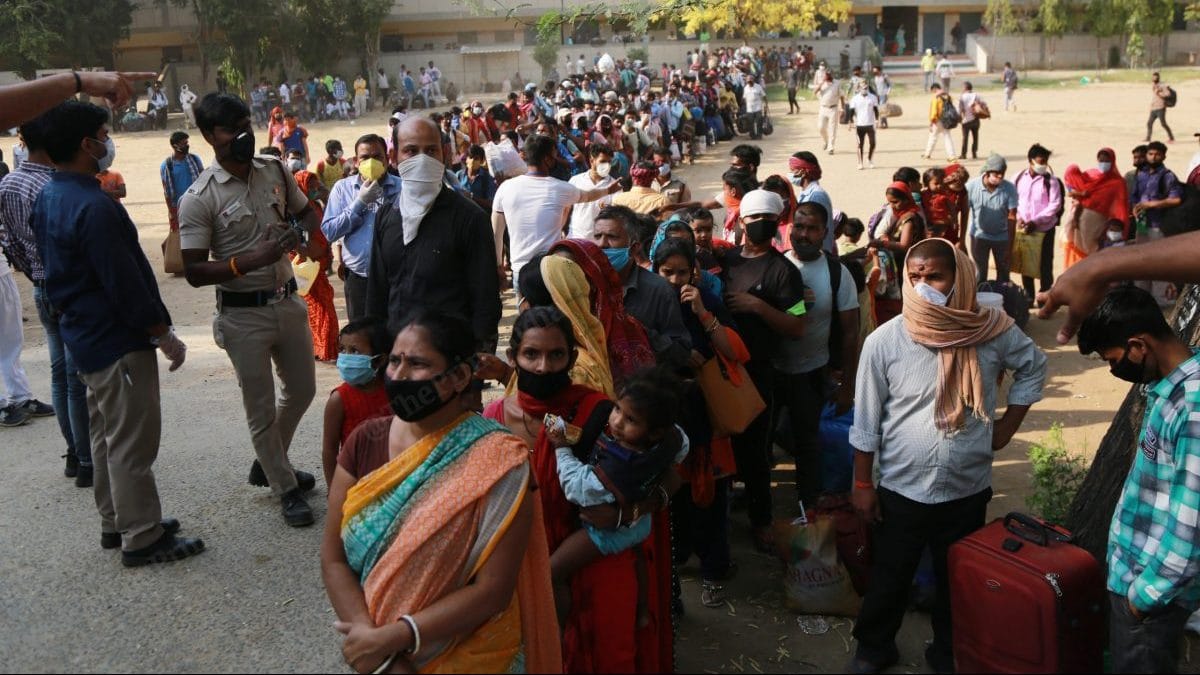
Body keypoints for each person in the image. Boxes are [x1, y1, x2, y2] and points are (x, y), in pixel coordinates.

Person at [321, 311, 560, 674]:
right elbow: (333, 559)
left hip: (468, 657)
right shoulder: (364, 442)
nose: (399, 375)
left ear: (460, 376)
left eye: (417, 363)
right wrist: (376, 650)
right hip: (375, 652)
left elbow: (493, 591)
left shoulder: (499, 459)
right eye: (395, 361)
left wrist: (393, 639)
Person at [848, 239, 1046, 674]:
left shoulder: (991, 331)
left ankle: (948, 652)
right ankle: (874, 648)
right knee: (890, 576)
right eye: (914, 277)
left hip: (966, 487)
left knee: (956, 581)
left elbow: (1034, 366)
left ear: (959, 278)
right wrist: (863, 484)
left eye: (934, 276)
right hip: (901, 487)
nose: (923, 287)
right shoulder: (885, 341)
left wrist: (1006, 427)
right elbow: (865, 420)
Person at [32, 100, 204, 565]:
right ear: (88, 145)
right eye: (104, 134)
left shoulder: (50, 196)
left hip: (83, 336)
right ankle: (142, 537)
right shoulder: (95, 206)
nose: (109, 142)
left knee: (107, 434)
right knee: (132, 442)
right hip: (116, 339)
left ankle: (118, 520)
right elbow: (124, 282)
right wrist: (162, 332)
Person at [481, 305, 673, 672]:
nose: (543, 367)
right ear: (512, 357)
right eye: (531, 355)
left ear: (572, 358)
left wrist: (631, 511)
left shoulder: (601, 412)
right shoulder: (494, 420)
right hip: (522, 567)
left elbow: (666, 472)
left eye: (556, 355)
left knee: (606, 656)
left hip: (597, 560)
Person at [178, 93, 320, 527]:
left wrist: (297, 232)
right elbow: (194, 271)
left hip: (288, 301)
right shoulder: (198, 197)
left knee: (302, 390)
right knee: (259, 407)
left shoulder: (273, 168)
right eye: (230, 129)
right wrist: (247, 261)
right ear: (208, 136)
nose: (242, 135)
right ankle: (286, 488)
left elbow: (308, 212)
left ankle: (269, 462)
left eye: (246, 124)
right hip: (242, 316)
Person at [1077, 286, 1200, 673]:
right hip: (1136, 578)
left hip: (1152, 599)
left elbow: (1191, 524)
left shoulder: (1193, 408)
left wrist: (1144, 597)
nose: (1114, 371)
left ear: (1138, 346)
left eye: (1113, 360)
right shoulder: (1168, 389)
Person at [547, 368, 687, 627]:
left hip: (607, 530)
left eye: (631, 419)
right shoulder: (669, 439)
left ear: (655, 431)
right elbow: (682, 445)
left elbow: (577, 488)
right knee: (638, 556)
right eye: (617, 409)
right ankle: (643, 610)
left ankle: (559, 629)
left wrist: (562, 448)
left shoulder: (621, 464)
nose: (617, 422)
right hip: (640, 521)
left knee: (552, 572)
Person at [651, 236, 744, 607]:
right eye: (666, 272)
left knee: (710, 495)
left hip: (708, 414)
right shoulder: (650, 305)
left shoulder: (708, 301)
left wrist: (704, 313)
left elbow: (736, 352)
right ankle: (679, 557)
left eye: (682, 272)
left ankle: (713, 570)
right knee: (673, 494)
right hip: (666, 415)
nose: (674, 281)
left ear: (695, 271)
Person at [719, 189, 807, 550]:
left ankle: (761, 519)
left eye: (767, 220)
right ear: (741, 222)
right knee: (721, 445)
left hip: (757, 372)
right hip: (721, 369)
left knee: (755, 448)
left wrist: (759, 307)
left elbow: (797, 324)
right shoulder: (725, 263)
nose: (760, 225)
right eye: (754, 219)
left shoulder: (784, 271)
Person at [366, 117, 501, 353]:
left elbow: (485, 299)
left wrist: (475, 367)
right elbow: (376, 295)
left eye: (430, 150)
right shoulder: (386, 216)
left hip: (451, 365)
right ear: (394, 158)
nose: (422, 160)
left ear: (445, 154)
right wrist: (375, 354)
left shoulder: (470, 218)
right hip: (398, 362)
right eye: (411, 151)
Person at [0, 116, 82, 475]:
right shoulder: (52, 184)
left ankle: (74, 453)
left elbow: (8, 239)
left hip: (41, 284)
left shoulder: (9, 183)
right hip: (67, 286)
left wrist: (32, 270)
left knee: (60, 373)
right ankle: (86, 457)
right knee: (78, 379)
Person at [776, 201, 860, 506]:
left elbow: (851, 334)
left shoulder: (838, 274)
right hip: (773, 372)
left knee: (808, 441)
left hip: (812, 373)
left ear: (825, 233)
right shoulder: (776, 265)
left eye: (812, 228)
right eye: (799, 226)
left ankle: (808, 505)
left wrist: (848, 387)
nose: (804, 234)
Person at [491, 134, 620, 288]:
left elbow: (496, 233)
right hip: (551, 270)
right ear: (547, 159)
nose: (555, 159)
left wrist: (498, 265)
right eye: (554, 155)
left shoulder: (505, 188)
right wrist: (607, 191)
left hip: (521, 270)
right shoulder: (561, 188)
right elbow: (588, 196)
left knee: (526, 312)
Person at [591, 205, 692, 365]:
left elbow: (681, 351)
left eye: (612, 237)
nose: (602, 244)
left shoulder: (659, 290)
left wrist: (639, 333)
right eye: (597, 236)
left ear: (633, 248)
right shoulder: (586, 285)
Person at [322, 134, 402, 321]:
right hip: (359, 278)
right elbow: (329, 231)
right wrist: (360, 203)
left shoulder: (401, 188)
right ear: (356, 162)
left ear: (387, 159)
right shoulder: (343, 189)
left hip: (395, 279)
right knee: (361, 340)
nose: (371, 162)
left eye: (377, 157)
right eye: (365, 158)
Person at [320, 317, 390, 486]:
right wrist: (333, 490)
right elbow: (329, 450)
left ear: (380, 360)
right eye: (342, 350)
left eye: (355, 351)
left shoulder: (393, 392)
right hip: (356, 481)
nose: (346, 357)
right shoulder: (339, 400)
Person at [285, 148, 339, 362]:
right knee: (317, 307)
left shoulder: (313, 209)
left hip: (313, 265)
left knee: (320, 306)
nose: (318, 189)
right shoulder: (301, 212)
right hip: (307, 267)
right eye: (313, 186)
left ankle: (324, 347)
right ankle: (322, 348)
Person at [1130, 141, 1183, 306]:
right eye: (1151, 154)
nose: (1153, 157)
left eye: (1157, 154)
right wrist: (1135, 208)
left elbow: (1176, 199)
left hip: (1158, 226)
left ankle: (1160, 300)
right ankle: (1141, 297)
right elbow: (1135, 196)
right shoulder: (1141, 174)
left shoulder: (1167, 176)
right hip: (1142, 225)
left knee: (1158, 263)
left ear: (1163, 156)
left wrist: (1151, 205)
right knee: (1141, 262)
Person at [868, 181, 927, 324]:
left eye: (895, 202)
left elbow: (904, 245)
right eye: (889, 203)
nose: (892, 206)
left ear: (906, 199)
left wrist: (882, 243)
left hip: (905, 262)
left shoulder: (909, 219)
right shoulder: (902, 214)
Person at [1014, 143, 1064, 304]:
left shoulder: (1052, 181)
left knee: (1045, 264)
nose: (1043, 165)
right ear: (1030, 161)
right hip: (1024, 228)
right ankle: (1029, 296)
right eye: (1040, 161)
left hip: (1044, 228)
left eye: (1045, 162)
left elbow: (1054, 205)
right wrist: (1019, 218)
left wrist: (1036, 221)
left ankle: (1044, 298)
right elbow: (1014, 200)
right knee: (1026, 263)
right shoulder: (1018, 177)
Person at [966, 153, 1019, 284]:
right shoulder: (971, 187)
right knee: (980, 274)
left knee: (1004, 275)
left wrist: (1009, 246)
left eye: (1002, 173)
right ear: (987, 172)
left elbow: (1012, 216)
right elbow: (963, 210)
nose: (1000, 176)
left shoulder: (1009, 189)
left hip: (1002, 238)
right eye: (996, 173)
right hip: (979, 237)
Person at [789, 152, 836, 253]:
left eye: (792, 171)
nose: (790, 175)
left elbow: (818, 228)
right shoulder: (805, 193)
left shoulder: (816, 196)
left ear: (803, 172)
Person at [160, 131, 204, 238]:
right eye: (183, 143)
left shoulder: (194, 159)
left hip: (196, 204)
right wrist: (171, 212)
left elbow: (204, 180)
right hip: (178, 207)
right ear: (175, 146)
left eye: (187, 143)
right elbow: (167, 191)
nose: (186, 146)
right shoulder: (167, 165)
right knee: (180, 238)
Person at [456, 144, 498, 212]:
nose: (472, 161)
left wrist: (472, 198)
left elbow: (491, 203)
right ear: (466, 159)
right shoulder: (459, 175)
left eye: (476, 158)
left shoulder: (487, 178)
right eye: (470, 157)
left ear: (481, 161)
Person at [847, 82, 878, 170]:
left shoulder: (872, 97)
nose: (865, 89)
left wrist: (877, 120)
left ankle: (870, 159)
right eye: (863, 88)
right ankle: (860, 162)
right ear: (859, 89)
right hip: (859, 125)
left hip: (870, 124)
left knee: (873, 143)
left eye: (866, 87)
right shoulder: (855, 99)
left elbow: (875, 110)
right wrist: (850, 122)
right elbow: (851, 111)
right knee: (860, 144)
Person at [923, 84, 957, 162]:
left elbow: (934, 111)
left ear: (934, 89)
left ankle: (927, 154)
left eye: (932, 91)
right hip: (947, 120)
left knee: (933, 137)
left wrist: (932, 122)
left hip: (938, 120)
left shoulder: (936, 98)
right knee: (947, 138)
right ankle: (952, 156)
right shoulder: (948, 96)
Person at [815, 71, 841, 154]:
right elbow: (815, 92)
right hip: (823, 108)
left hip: (833, 108)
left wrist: (843, 108)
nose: (828, 77)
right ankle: (826, 141)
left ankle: (831, 147)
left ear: (832, 75)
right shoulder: (822, 83)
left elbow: (842, 96)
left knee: (832, 129)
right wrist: (822, 82)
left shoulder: (837, 83)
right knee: (821, 127)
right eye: (827, 75)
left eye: (829, 75)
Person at [1146, 71, 1175, 143]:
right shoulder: (1154, 85)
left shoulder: (1162, 86)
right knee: (1149, 123)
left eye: (1155, 77)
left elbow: (1167, 94)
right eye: (1153, 77)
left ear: (1158, 78)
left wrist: (1159, 93)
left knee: (1163, 124)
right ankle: (1148, 138)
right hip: (1154, 108)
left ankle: (1171, 137)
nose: (1154, 78)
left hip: (1161, 108)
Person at [958, 82, 983, 160]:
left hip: (966, 121)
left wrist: (959, 119)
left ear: (965, 88)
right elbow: (983, 105)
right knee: (975, 137)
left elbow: (960, 109)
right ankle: (974, 153)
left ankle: (963, 154)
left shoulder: (962, 97)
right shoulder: (977, 95)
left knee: (965, 138)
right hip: (976, 119)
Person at [742, 74, 767, 140]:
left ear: (753, 80)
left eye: (751, 80)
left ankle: (759, 135)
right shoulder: (745, 88)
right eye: (748, 81)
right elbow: (744, 98)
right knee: (750, 123)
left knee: (759, 122)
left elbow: (764, 96)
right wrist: (745, 106)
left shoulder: (758, 87)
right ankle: (752, 135)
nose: (749, 82)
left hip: (758, 107)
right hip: (749, 109)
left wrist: (765, 105)